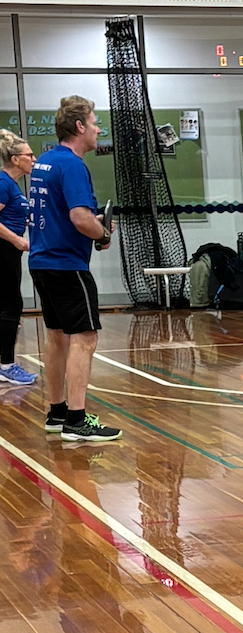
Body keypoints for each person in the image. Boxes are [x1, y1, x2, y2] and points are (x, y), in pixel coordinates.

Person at [28, 96, 118, 441]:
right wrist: (103, 232)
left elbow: (58, 212)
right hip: (67, 264)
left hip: (42, 261)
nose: (98, 129)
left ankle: (57, 412)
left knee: (56, 337)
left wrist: (92, 224)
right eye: (94, 122)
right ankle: (77, 421)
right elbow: (80, 218)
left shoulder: (45, 162)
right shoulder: (73, 165)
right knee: (85, 337)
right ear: (79, 127)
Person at [0, 132, 35, 386]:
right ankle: (6, 365)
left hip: (8, 251)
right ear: (14, 159)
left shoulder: (13, 185)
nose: (33, 159)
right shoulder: (2, 183)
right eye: (29, 155)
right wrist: (17, 240)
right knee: (11, 306)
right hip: (3, 250)